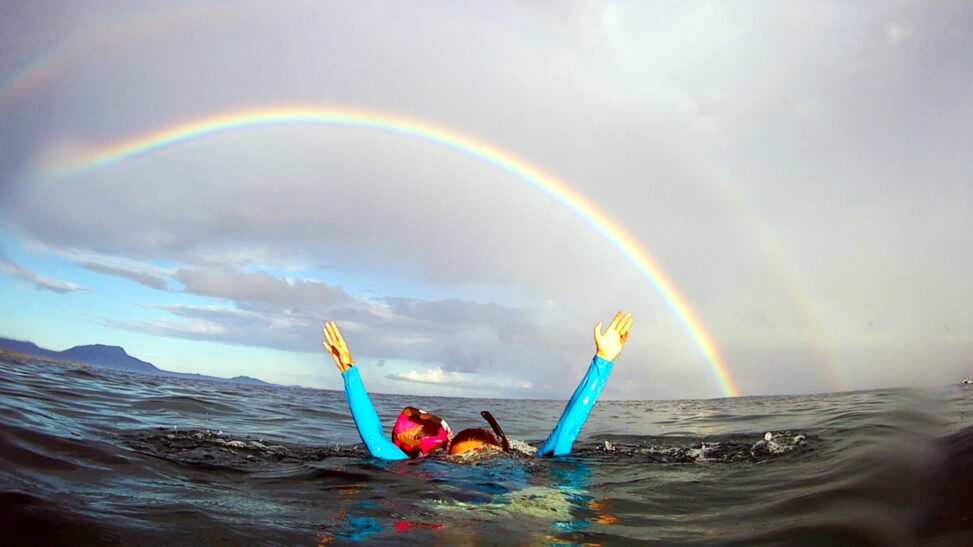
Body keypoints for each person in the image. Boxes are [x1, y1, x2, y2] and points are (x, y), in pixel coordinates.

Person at [322, 311, 633, 459]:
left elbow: (566, 431)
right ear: (448, 457)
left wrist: (603, 361)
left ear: (500, 451)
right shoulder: (432, 473)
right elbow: (376, 444)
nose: (475, 465)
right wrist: (349, 371)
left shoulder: (531, 467)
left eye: (483, 456)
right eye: (464, 460)